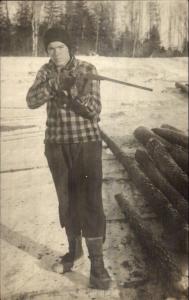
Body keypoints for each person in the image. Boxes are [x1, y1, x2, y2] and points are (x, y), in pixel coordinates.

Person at [26, 27, 111, 290]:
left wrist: (73, 89)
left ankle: (97, 264)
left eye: (60, 47)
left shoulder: (87, 68)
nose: (56, 52)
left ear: (70, 47)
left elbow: (94, 109)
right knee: (66, 199)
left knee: (91, 201)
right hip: (56, 145)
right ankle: (74, 252)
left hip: (86, 144)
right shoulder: (45, 71)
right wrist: (54, 84)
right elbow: (31, 100)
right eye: (51, 48)